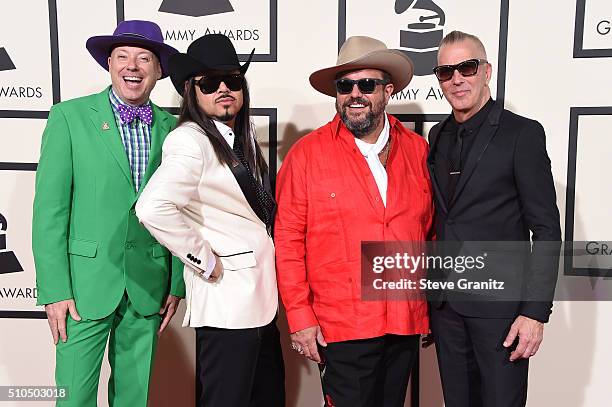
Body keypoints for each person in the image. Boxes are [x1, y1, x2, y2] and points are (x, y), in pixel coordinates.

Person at [275, 36, 434, 407]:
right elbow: (287, 240)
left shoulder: (418, 151)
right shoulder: (307, 155)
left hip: (403, 320)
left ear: (387, 90)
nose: (355, 94)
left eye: (367, 84)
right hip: (341, 328)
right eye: (345, 86)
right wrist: (300, 318)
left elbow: (430, 232)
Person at [32, 20, 184, 406]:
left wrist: (176, 282)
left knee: (134, 397)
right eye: (123, 57)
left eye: (144, 58)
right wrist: (54, 290)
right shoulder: (69, 118)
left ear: (159, 69)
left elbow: (184, 211)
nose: (133, 66)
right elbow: (49, 213)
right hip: (82, 290)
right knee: (73, 397)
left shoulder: (175, 130)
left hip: (148, 286)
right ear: (110, 64)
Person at [135, 34, 285, 407]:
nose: (223, 89)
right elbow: (152, 207)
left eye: (232, 80)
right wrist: (206, 260)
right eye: (209, 82)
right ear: (192, 91)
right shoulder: (190, 140)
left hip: (259, 302)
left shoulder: (239, 138)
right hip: (227, 304)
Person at [426, 30, 562, 407]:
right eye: (445, 71)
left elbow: (547, 230)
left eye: (466, 67)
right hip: (447, 310)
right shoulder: (436, 135)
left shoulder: (522, 134)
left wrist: (535, 313)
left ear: (486, 71)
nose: (457, 79)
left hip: (501, 313)